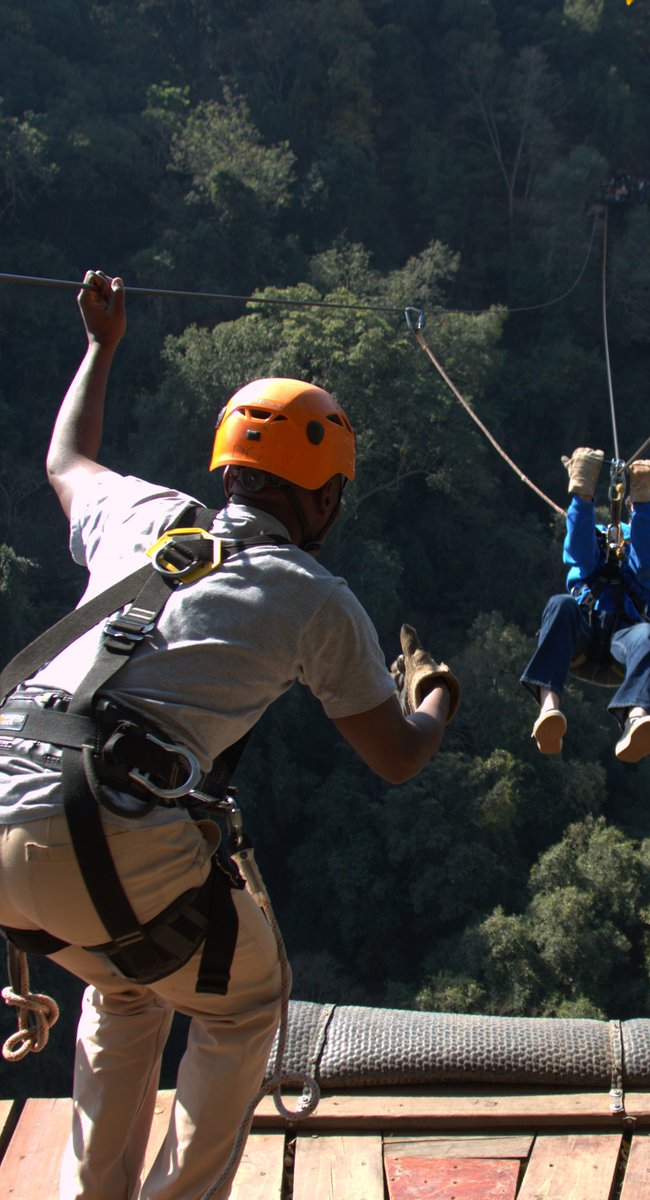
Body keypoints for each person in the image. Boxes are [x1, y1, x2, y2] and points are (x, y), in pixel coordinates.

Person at [0, 270, 459, 1200]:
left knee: (127, 981)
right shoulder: (311, 596)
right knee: (246, 1000)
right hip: (107, 831)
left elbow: (63, 456)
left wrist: (101, 345)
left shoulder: (143, 516)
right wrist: (437, 691)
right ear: (322, 497)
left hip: (8, 808)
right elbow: (398, 756)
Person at [520, 446, 650, 763]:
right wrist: (582, 496)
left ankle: (634, 718)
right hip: (581, 630)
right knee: (561, 604)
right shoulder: (602, 534)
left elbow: (646, 559)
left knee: (648, 636)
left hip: (622, 641)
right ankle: (549, 711)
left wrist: (643, 503)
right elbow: (579, 553)